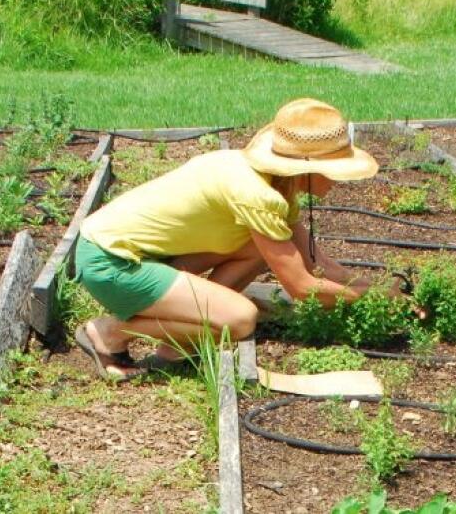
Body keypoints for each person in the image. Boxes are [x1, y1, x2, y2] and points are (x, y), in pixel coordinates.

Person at [73, 98, 392, 381]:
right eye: (335, 170)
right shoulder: (256, 194)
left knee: (258, 249)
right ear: (306, 169)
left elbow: (316, 263)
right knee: (240, 319)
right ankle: (109, 332)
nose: (338, 180)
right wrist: (373, 300)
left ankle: (177, 346)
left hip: (144, 255)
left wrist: (377, 290)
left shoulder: (274, 186)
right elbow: (302, 287)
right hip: (113, 262)